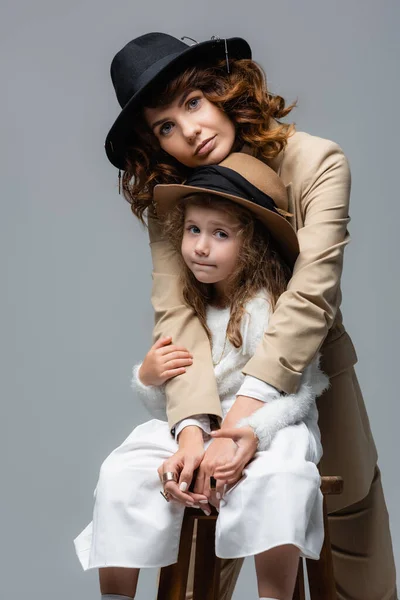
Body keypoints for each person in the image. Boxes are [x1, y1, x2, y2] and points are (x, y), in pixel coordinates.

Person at [103, 33, 396, 600]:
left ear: (223, 92)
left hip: (311, 375)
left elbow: (314, 291)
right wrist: (194, 429)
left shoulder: (317, 161)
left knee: (352, 536)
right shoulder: (173, 195)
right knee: (195, 543)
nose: (188, 132)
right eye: (165, 126)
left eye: (192, 104)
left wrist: (247, 420)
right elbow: (176, 312)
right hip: (211, 381)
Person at [74, 154, 330, 600]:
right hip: (197, 426)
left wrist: (251, 431)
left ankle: (274, 594)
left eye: (220, 234)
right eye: (193, 230)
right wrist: (148, 377)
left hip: (269, 426)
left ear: (251, 244)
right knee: (120, 470)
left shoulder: (269, 308)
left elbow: (300, 394)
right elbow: (177, 400)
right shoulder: (190, 309)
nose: (201, 247)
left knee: (283, 478)